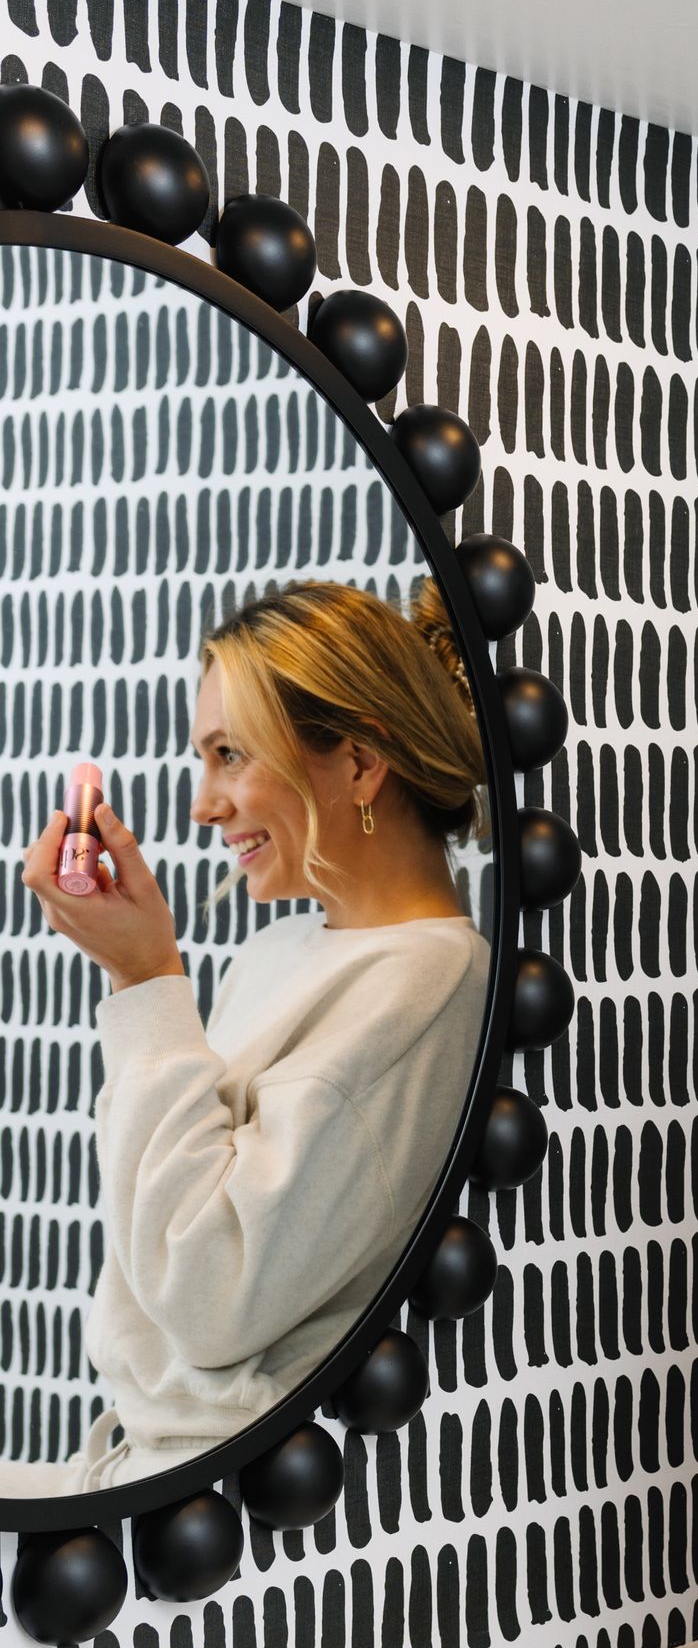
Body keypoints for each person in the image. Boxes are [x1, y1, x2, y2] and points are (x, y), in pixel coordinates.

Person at [13, 578, 491, 1494]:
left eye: (230, 754)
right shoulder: (279, 952)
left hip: (216, 1495)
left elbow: (209, 1293)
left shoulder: (423, 982)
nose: (204, 805)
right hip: (135, 1460)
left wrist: (145, 981)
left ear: (357, 762)